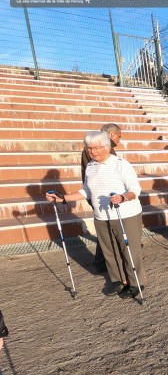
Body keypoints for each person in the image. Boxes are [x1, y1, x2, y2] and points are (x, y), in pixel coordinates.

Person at [46, 131, 147, 298]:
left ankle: (137, 282)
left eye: (96, 148)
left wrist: (122, 197)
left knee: (129, 250)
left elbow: (135, 189)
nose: (92, 151)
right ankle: (119, 280)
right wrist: (63, 198)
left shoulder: (121, 164)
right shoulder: (91, 167)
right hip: (101, 216)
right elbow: (86, 190)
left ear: (107, 147)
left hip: (125, 215)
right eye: (89, 148)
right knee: (110, 250)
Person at [81, 123, 122, 272]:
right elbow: (95, 173)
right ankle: (102, 262)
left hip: (104, 194)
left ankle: (105, 260)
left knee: (108, 228)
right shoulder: (96, 149)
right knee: (106, 229)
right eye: (119, 136)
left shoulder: (104, 149)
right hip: (101, 195)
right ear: (111, 135)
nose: (119, 140)